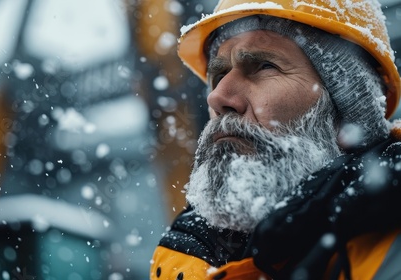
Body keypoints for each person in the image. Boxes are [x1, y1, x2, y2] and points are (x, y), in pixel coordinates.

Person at [150, 0, 401, 279]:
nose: (217, 97)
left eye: (264, 66)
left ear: (346, 113)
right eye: (219, 75)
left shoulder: (389, 255)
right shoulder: (190, 257)